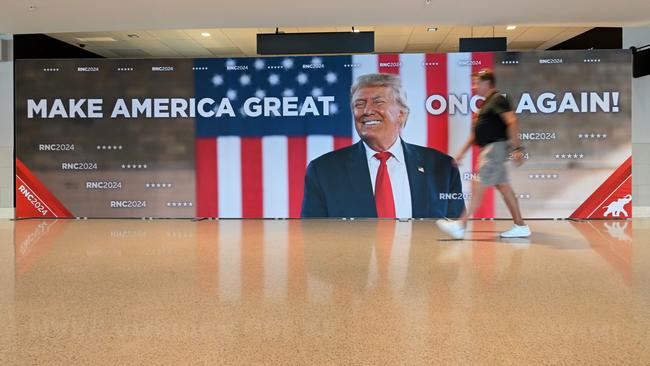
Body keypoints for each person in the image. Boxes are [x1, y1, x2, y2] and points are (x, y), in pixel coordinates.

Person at [301, 73, 464, 218]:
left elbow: (454, 232)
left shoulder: (442, 167)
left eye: (378, 102)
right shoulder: (323, 171)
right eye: (359, 104)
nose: (367, 110)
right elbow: (312, 238)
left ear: (401, 114)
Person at [437, 69, 531, 239]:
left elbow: (512, 121)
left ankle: (460, 224)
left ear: (487, 83)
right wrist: (461, 154)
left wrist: (518, 148)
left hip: (494, 149)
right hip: (490, 149)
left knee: (477, 185)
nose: (474, 87)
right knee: (505, 188)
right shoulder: (485, 105)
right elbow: (475, 135)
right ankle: (521, 225)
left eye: (477, 83)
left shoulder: (497, 99)